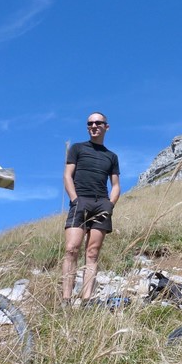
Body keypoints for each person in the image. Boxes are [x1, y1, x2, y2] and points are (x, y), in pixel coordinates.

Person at [61, 112, 120, 307]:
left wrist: (109, 205)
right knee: (71, 249)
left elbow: (116, 185)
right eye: (90, 123)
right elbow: (68, 176)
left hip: (101, 203)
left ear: (106, 127)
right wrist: (74, 199)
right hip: (80, 202)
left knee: (92, 253)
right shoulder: (77, 148)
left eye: (98, 123)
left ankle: (87, 300)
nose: (93, 126)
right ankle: (66, 300)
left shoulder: (111, 156)